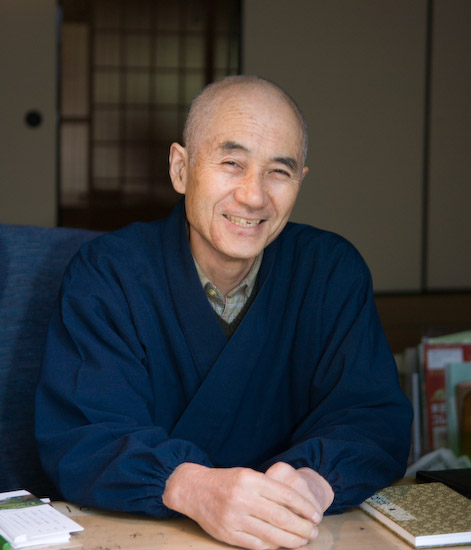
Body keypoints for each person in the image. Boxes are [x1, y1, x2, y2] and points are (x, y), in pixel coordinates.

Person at [35, 75, 412, 550]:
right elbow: (83, 435)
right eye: (232, 163)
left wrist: (315, 482)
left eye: (279, 171)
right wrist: (192, 488)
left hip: (298, 534)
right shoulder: (110, 274)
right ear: (181, 168)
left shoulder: (331, 272)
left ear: (301, 180)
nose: (254, 196)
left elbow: (373, 418)